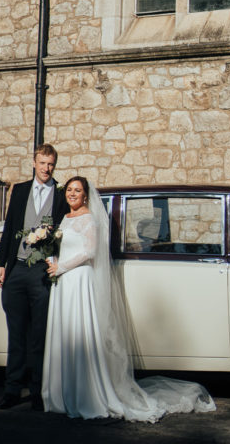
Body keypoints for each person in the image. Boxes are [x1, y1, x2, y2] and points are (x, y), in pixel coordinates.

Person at [41, 175, 216, 421]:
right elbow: (64, 246)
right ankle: (62, 394)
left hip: (79, 279)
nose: (72, 194)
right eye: (69, 189)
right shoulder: (65, 218)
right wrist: (53, 261)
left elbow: (90, 251)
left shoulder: (89, 218)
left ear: (85, 195)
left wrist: (62, 267)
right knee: (67, 333)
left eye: (77, 190)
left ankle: (87, 393)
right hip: (65, 282)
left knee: (82, 333)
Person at [0, 144, 66, 410]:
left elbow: (64, 232)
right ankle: (12, 390)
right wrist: (1, 264)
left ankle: (37, 391)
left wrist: (56, 260)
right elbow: (10, 227)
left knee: (38, 334)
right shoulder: (21, 190)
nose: (46, 168)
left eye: (51, 164)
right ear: (34, 162)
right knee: (16, 332)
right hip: (16, 270)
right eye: (42, 163)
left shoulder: (60, 194)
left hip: (41, 273)